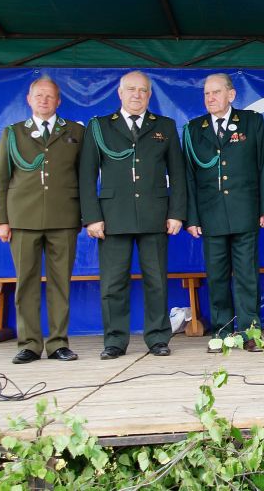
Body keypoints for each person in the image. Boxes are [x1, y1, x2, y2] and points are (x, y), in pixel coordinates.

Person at [79, 71, 187, 359]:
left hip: (155, 214)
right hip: (113, 216)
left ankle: (158, 338)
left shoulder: (164, 125)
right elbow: (86, 175)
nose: (137, 95)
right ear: (120, 93)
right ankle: (114, 341)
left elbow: (178, 173)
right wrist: (92, 216)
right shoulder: (100, 126)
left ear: (150, 94)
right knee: (113, 283)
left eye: (142, 90)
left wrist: (177, 213)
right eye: (131, 89)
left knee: (157, 281)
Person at [0, 77, 85, 363]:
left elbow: (84, 176)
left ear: (59, 101)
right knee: (26, 283)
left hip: (64, 216)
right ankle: (29, 344)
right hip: (22, 217)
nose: (44, 100)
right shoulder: (13, 133)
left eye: (49, 96)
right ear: (29, 99)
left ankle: (58, 343)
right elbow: (2, 178)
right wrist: (0, 220)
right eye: (39, 95)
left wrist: (86, 215)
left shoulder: (75, 131)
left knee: (61, 283)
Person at [183, 73, 264, 351]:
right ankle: (221, 332)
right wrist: (192, 217)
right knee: (217, 276)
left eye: (216, 92)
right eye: (206, 94)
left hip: (245, 210)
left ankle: (250, 333)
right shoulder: (193, 128)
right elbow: (189, 177)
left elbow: (263, 166)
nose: (210, 98)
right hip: (210, 214)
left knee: (247, 276)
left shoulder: (251, 121)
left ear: (231, 95)